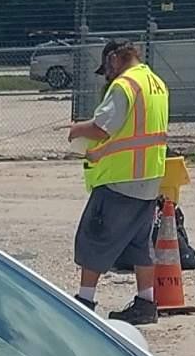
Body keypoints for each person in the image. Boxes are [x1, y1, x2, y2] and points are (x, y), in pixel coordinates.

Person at [65, 38, 170, 323]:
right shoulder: (156, 83)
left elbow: (101, 128)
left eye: (107, 68)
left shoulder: (125, 85)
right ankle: (146, 304)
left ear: (114, 59)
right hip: (149, 178)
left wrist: (76, 129)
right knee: (139, 244)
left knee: (94, 238)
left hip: (120, 179)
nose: (108, 75)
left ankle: (85, 302)